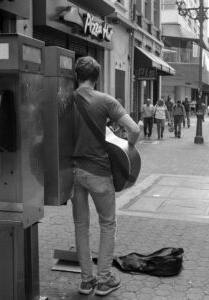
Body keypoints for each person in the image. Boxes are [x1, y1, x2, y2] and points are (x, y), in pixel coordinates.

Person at [72, 56, 140, 296]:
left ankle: (85, 280)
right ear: (97, 77)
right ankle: (103, 280)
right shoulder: (105, 101)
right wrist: (127, 149)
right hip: (99, 173)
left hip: (75, 173)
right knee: (107, 224)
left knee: (81, 226)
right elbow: (134, 129)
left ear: (76, 75)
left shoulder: (66, 100)